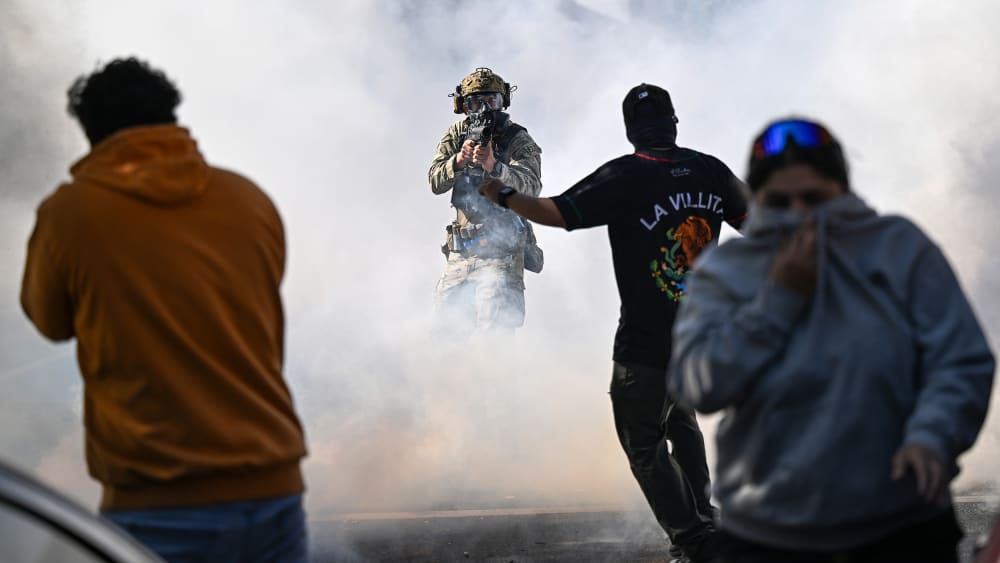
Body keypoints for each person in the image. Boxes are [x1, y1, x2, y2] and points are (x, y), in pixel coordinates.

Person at [20, 57, 309, 563]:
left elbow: (49, 322)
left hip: (156, 500)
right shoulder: (248, 199)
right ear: (171, 116)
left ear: (91, 132)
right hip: (275, 488)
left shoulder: (69, 215)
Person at [667, 117, 996, 562]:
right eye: (782, 200)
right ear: (758, 202)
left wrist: (932, 436)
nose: (801, 213)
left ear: (841, 190)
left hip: (899, 517)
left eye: (815, 198)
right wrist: (777, 300)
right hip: (769, 524)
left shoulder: (898, 249)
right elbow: (697, 385)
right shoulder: (726, 271)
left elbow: (960, 359)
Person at [480, 83, 748, 563]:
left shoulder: (627, 175)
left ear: (631, 132)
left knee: (645, 444)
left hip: (646, 345)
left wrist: (502, 194)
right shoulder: (710, 170)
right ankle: (704, 522)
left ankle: (696, 541)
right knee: (681, 421)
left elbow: (559, 212)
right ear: (674, 123)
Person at [428, 67, 543, 335]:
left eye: (491, 100)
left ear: (503, 101)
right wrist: (457, 162)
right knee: (446, 332)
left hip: (501, 251)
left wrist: (494, 166)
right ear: (463, 105)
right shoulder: (456, 135)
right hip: (462, 253)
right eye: (475, 102)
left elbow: (531, 188)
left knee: (495, 335)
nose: (484, 108)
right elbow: (434, 182)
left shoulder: (517, 139)